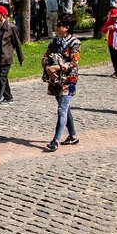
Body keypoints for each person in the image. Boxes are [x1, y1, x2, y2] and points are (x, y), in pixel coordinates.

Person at [42, 16, 80, 151]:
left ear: (66, 28)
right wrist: (48, 68)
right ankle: (73, 135)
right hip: (55, 79)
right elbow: (45, 57)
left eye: (59, 25)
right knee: (65, 108)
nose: (57, 28)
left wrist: (57, 67)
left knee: (62, 110)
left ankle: (56, 140)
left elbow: (74, 62)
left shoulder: (75, 43)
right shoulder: (55, 41)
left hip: (68, 80)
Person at [0, 6, 23, 105]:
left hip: (6, 57)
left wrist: (20, 58)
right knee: (0, 78)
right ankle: (8, 97)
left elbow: (17, 44)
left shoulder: (11, 27)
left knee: (2, 77)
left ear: (2, 15)